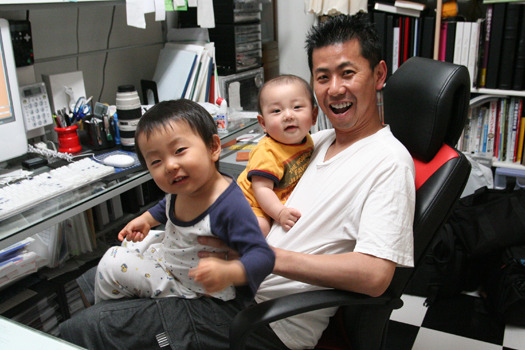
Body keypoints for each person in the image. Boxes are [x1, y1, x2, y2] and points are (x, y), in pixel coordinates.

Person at [59, 12, 415, 350]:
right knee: (103, 272)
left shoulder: (388, 161)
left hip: (265, 319)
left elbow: (374, 275)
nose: (334, 89)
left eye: (347, 73)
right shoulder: (316, 142)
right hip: (232, 281)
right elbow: (246, 182)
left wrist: (264, 257)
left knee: (86, 329)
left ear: (379, 74)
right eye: (322, 77)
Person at [93, 99, 275, 305]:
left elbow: (263, 256)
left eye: (179, 150)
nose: (169, 166)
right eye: (156, 161)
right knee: (131, 243)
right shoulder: (185, 187)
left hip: (191, 287)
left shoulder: (228, 205)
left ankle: (106, 312)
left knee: (112, 261)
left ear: (213, 147)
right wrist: (145, 219)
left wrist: (229, 271)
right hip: (171, 258)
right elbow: (166, 206)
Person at [237, 74, 318, 236]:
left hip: (275, 198)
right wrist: (280, 213)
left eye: (297, 107)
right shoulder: (267, 152)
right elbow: (262, 189)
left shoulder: (308, 140)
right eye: (276, 110)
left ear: (314, 116)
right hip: (250, 203)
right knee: (261, 229)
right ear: (263, 124)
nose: (288, 115)